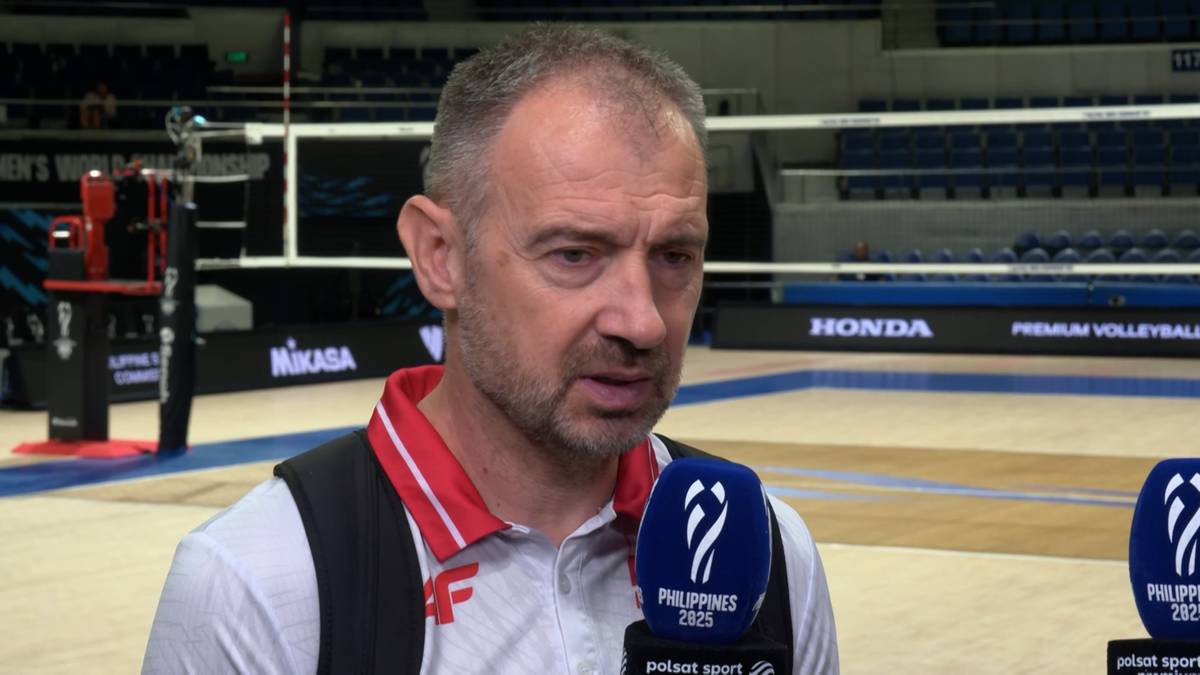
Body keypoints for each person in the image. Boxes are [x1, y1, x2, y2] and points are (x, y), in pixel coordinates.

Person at [142, 25, 838, 674]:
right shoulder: (257, 582)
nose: (643, 321)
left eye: (675, 255)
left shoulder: (769, 552)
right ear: (440, 257)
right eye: (574, 254)